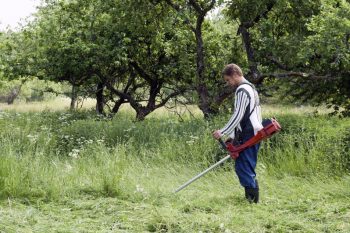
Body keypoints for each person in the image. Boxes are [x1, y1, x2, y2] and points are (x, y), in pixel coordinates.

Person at [213, 64, 263, 203]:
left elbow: (238, 115)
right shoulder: (251, 88)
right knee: (247, 167)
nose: (228, 83)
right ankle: (252, 202)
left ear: (235, 74)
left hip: (249, 135)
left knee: (244, 167)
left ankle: (252, 202)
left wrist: (222, 132)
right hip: (253, 133)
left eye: (228, 80)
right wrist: (233, 136)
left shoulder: (242, 90)